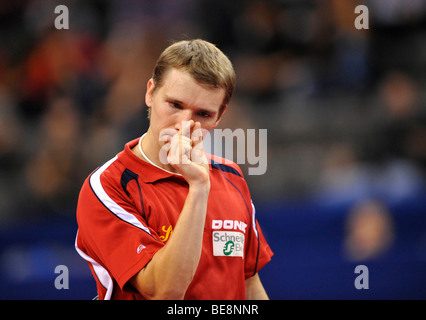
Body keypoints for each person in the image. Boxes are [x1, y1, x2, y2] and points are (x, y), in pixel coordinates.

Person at [75, 39, 273, 300]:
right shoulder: (108, 187)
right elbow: (164, 292)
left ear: (219, 116)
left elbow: (248, 283)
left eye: (203, 114)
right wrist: (200, 187)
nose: (184, 124)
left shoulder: (232, 177)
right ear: (150, 93)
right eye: (175, 105)